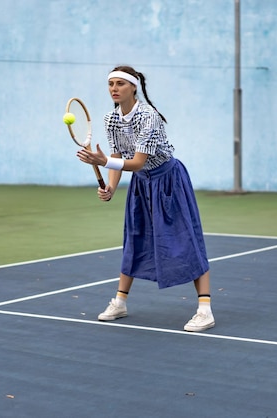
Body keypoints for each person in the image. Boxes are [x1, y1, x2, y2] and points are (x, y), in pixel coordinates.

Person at [76, 65, 214, 332]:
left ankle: (205, 310)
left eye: (120, 84)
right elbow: (118, 157)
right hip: (141, 185)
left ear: (133, 88)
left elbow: (137, 162)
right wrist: (112, 188)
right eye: (111, 84)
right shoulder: (111, 119)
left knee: (187, 241)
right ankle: (119, 302)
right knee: (134, 238)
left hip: (169, 181)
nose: (114, 89)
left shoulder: (148, 116)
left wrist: (103, 161)